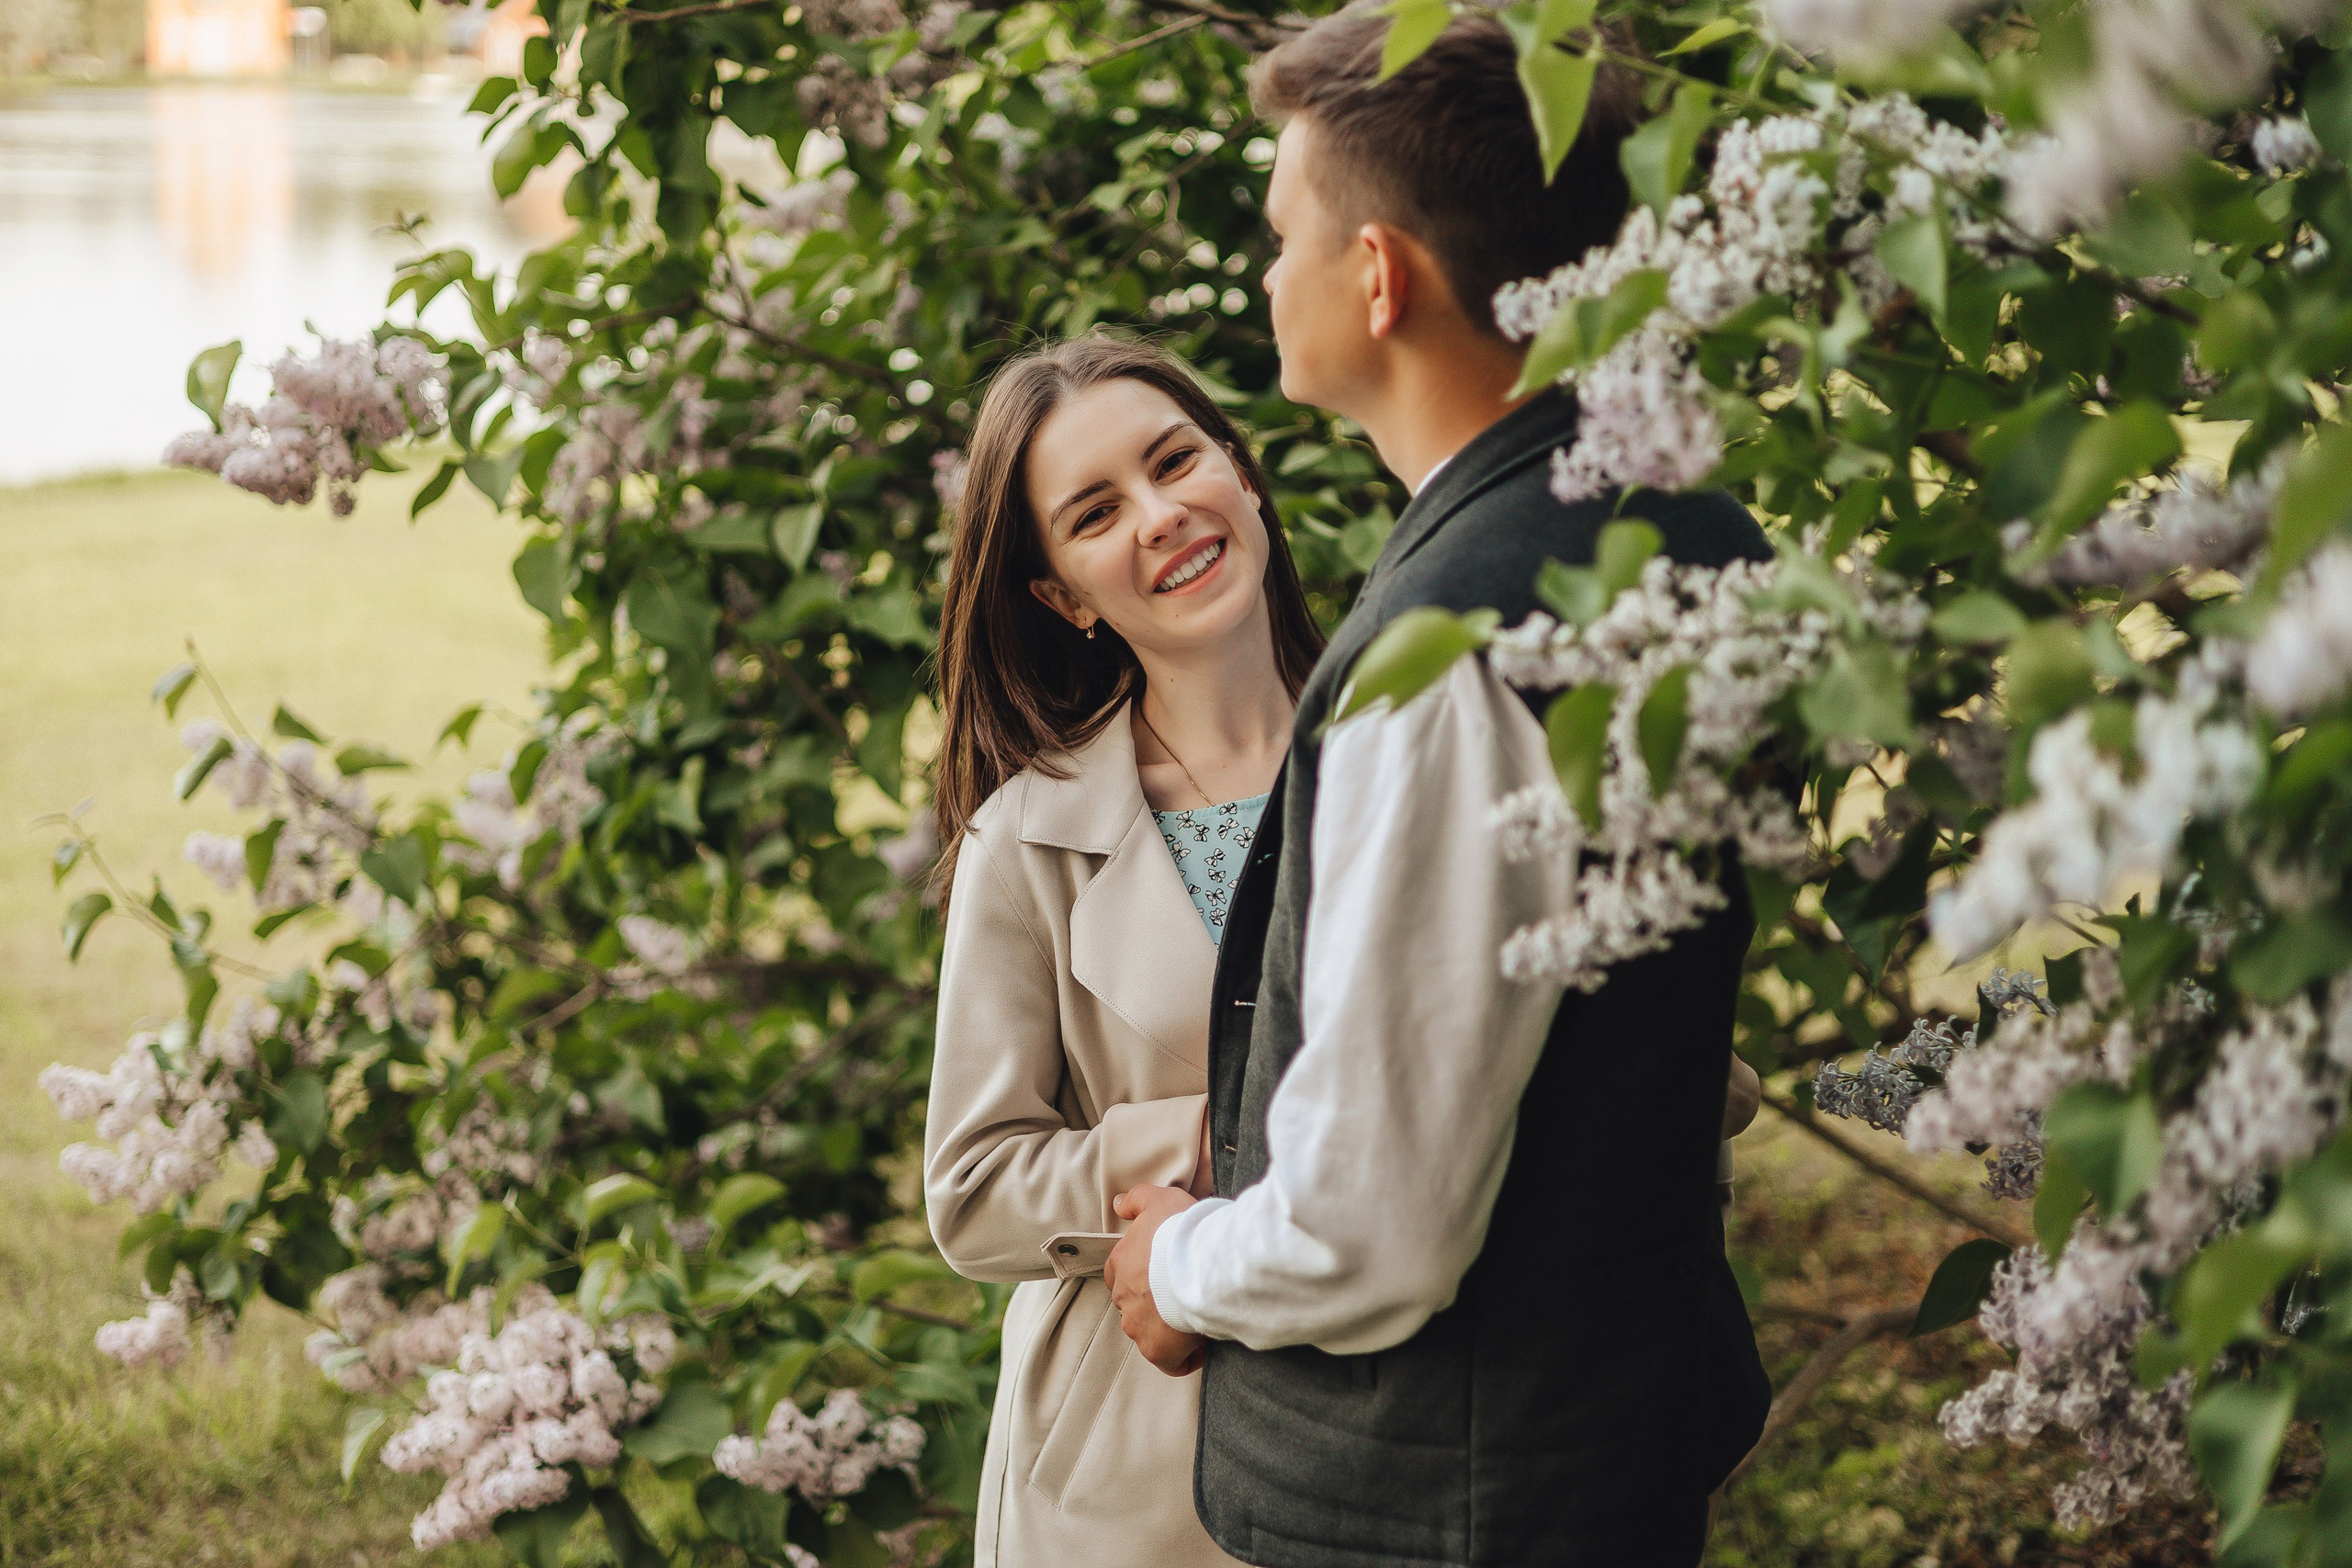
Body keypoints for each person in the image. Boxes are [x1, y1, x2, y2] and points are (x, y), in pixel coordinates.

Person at [1099, 12, 1777, 1568]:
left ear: (1378, 276)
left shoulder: (1456, 651)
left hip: (1461, 1511)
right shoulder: (1680, 529)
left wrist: (1180, 1262)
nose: (1267, 277)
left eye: (1282, 237)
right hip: (1599, 1453)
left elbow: (1373, 1225)